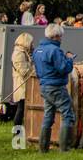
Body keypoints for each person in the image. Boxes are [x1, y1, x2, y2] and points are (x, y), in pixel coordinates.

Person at [32, 23, 76, 152]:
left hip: (44, 86)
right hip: (56, 86)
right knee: (68, 114)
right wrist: (69, 59)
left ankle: (43, 148)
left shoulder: (38, 50)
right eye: (60, 36)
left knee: (48, 116)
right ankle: (65, 148)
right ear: (56, 36)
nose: (61, 39)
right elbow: (64, 69)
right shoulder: (55, 50)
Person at [10, 32, 34, 127]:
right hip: (21, 86)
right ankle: (17, 135)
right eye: (31, 43)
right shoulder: (18, 54)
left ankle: (20, 133)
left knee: (22, 109)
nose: (32, 45)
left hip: (24, 85)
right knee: (20, 109)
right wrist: (33, 67)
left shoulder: (23, 52)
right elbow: (24, 72)